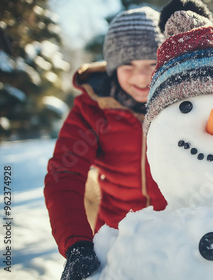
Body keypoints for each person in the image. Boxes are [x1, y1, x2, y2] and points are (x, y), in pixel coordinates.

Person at [43, 7, 167, 280]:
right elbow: (64, 173)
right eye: (128, 66)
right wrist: (76, 243)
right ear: (113, 67)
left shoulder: (184, 102)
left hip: (180, 232)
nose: (141, 78)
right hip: (115, 235)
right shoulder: (92, 108)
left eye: (152, 64)